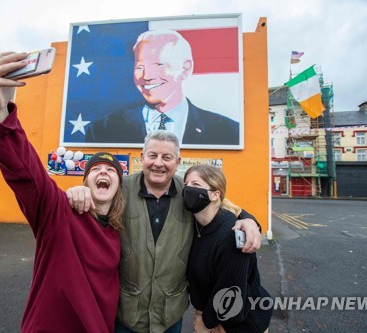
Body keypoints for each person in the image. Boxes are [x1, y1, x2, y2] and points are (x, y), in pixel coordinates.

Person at [0, 52, 125, 332]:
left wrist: (239, 215)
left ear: (120, 187)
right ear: (85, 182)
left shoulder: (121, 230)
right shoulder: (56, 213)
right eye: (95, 170)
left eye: (111, 171)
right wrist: (0, 113)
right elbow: (25, 172)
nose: (104, 173)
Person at [67, 130, 261, 332]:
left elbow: (222, 205)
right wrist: (77, 192)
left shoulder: (189, 193)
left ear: (177, 162)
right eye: (152, 155)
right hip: (126, 314)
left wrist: (248, 219)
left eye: (167, 157)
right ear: (143, 158)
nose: (158, 163)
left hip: (170, 315)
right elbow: (95, 194)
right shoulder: (120, 188)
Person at [84, 29, 240, 145]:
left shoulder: (229, 131)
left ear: (185, 69)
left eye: (158, 65)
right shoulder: (101, 129)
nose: (146, 76)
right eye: (140, 67)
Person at [184, 165, 272, 333]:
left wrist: (205, 322)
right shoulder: (196, 223)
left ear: (215, 194)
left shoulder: (231, 235)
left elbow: (231, 296)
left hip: (242, 324)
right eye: (186, 184)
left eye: (195, 184)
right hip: (212, 316)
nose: (188, 189)